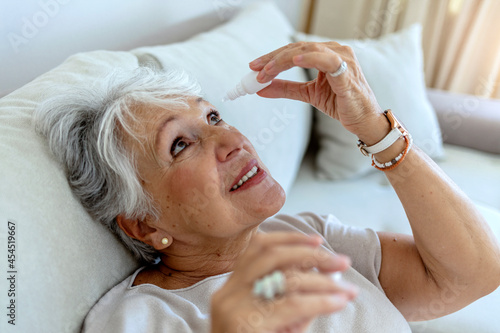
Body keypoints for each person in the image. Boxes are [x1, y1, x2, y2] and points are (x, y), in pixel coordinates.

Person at [34, 41, 500, 333]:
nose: (233, 140)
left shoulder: (306, 234)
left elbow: (472, 276)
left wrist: (377, 132)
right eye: (180, 144)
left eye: (214, 116)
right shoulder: (137, 320)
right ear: (143, 224)